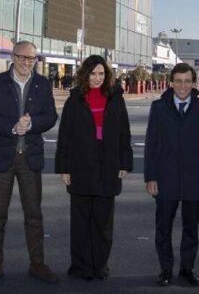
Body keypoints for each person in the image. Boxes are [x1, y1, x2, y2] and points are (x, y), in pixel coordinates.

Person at [0, 40, 59, 286]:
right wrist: (12, 128)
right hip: (2, 157)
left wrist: (32, 124)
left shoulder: (43, 84)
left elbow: (51, 116)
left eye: (31, 58)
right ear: (12, 57)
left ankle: (37, 264)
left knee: (34, 215)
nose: (27, 62)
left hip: (30, 159)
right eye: (22, 57)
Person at [55, 55, 133, 280]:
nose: (97, 78)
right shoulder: (75, 100)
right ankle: (81, 267)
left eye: (101, 73)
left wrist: (125, 162)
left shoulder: (116, 98)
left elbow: (124, 133)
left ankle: (100, 266)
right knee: (80, 222)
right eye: (93, 73)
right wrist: (64, 168)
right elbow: (65, 135)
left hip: (108, 164)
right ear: (85, 75)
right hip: (81, 164)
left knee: (103, 223)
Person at [144, 63, 199, 287]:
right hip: (165, 178)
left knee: (191, 228)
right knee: (163, 228)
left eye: (187, 81)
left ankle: (187, 269)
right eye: (178, 81)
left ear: (194, 83)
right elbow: (151, 145)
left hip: (195, 179)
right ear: (171, 83)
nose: (183, 86)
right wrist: (150, 177)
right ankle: (165, 270)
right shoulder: (159, 107)